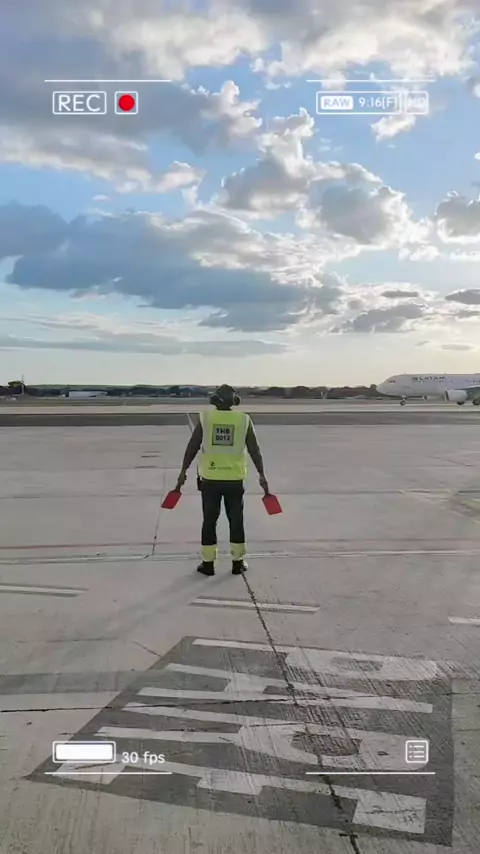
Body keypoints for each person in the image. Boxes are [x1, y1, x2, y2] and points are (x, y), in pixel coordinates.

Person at [175, 384, 269, 576]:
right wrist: (262, 474)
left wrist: (183, 471)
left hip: (210, 479)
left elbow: (192, 447)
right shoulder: (243, 420)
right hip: (234, 480)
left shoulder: (206, 418)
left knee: (209, 520)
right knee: (236, 520)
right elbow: (255, 450)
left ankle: (208, 564)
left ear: (215, 400)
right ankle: (238, 562)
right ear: (235, 401)